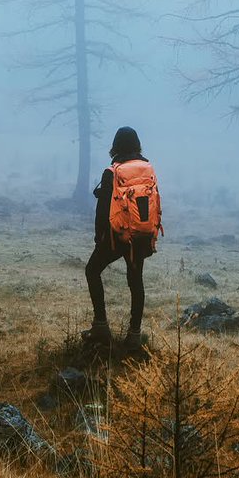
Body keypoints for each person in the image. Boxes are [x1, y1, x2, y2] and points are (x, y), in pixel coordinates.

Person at [83, 125, 159, 349]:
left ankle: (101, 326)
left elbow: (102, 212)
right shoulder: (147, 169)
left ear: (115, 146)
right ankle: (134, 335)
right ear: (138, 145)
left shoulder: (112, 172)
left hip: (117, 236)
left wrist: (99, 239)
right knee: (136, 281)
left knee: (92, 270)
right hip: (140, 237)